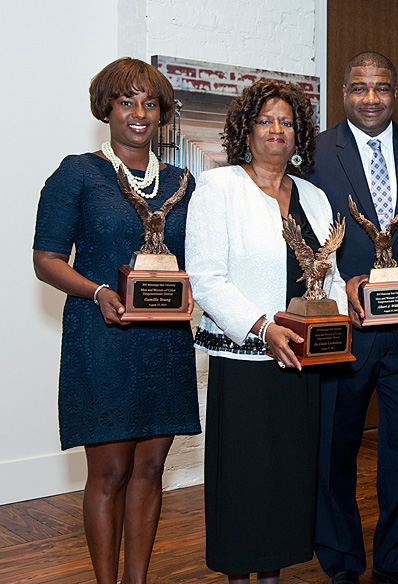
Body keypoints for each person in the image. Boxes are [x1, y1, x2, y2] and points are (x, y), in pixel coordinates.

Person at [32, 57, 201, 584]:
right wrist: (99, 290)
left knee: (151, 472)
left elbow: (194, 256)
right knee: (109, 474)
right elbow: (46, 258)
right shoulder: (77, 172)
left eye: (149, 104)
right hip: (101, 339)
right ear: (106, 107)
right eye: (126, 101)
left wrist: (195, 286)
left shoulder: (183, 183)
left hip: (165, 345)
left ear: (162, 115)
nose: (138, 113)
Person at [185, 79, 346, 584]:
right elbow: (206, 277)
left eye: (287, 121)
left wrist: (334, 321)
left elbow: (331, 274)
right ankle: (239, 575)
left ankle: (273, 574)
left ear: (299, 135)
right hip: (248, 361)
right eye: (266, 120)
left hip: (304, 361)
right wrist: (262, 327)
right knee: (244, 481)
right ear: (247, 130)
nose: (277, 129)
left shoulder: (315, 198)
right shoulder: (219, 188)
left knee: (287, 479)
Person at [306, 51, 398, 584]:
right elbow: (295, 239)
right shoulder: (313, 154)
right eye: (360, 88)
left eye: (381, 88)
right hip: (345, 330)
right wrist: (341, 287)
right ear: (343, 92)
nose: (370, 98)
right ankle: (340, 560)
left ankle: (395, 556)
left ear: (396, 92)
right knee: (334, 448)